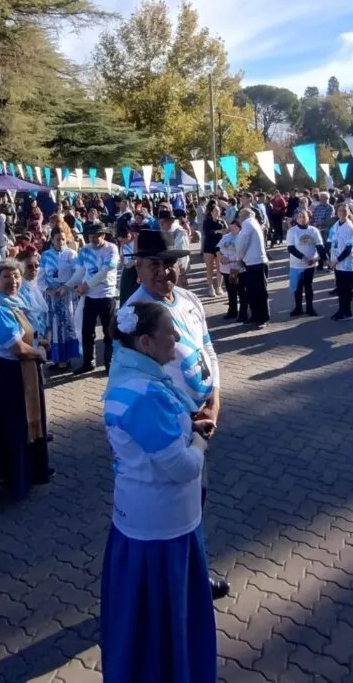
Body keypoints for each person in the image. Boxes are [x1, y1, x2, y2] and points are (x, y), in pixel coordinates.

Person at [100, 301, 216, 683]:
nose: (178, 338)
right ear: (146, 342)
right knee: (164, 623)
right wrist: (200, 441)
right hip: (161, 527)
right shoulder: (147, 394)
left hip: (147, 516)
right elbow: (182, 467)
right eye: (171, 332)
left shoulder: (134, 375)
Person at [123, 229, 228, 601]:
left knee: (196, 501)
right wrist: (190, 415)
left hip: (202, 421)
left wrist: (214, 398)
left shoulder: (188, 298)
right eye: (154, 264)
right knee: (172, 511)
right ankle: (174, 585)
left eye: (169, 264)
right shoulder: (134, 316)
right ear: (137, 268)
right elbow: (138, 381)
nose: (164, 272)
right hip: (170, 426)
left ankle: (191, 574)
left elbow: (208, 350)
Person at [0, 259, 52, 499]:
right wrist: (39, 353)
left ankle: (32, 471)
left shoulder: (14, 302)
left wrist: (40, 342)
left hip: (22, 371)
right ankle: (13, 478)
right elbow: (16, 348)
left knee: (28, 422)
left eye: (17, 276)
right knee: (13, 427)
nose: (14, 281)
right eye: (7, 277)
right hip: (5, 376)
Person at [75, 222, 118, 375]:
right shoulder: (84, 250)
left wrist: (86, 285)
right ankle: (88, 362)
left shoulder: (111, 248)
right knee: (87, 330)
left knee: (108, 331)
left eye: (97, 235)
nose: (93, 238)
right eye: (91, 235)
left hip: (106, 295)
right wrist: (68, 286)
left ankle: (109, 362)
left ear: (103, 235)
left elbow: (105, 271)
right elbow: (80, 271)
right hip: (90, 297)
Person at [39, 228, 82, 369]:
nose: (61, 242)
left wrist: (68, 287)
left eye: (63, 239)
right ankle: (56, 359)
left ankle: (67, 357)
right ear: (51, 240)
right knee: (53, 327)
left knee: (67, 325)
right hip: (52, 296)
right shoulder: (45, 256)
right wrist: (49, 290)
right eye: (58, 239)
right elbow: (41, 277)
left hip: (67, 295)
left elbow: (78, 274)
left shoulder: (71, 254)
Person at [234, 206, 269, 328]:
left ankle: (262, 318)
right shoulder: (253, 223)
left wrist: (239, 257)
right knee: (253, 292)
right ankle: (256, 316)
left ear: (242, 217)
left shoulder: (247, 224)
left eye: (238, 218)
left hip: (255, 262)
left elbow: (242, 242)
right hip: (254, 261)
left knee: (259, 292)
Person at [286, 209, 323, 318]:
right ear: (296, 219)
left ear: (308, 218)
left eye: (304, 217)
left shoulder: (314, 231)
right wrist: (304, 258)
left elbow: (320, 246)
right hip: (296, 264)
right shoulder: (292, 231)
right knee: (297, 287)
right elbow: (291, 248)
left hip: (310, 264)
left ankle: (310, 308)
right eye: (300, 217)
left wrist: (320, 258)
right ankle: (298, 308)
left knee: (308, 286)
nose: (302, 219)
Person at [327, 204, 353, 321]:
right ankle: (341, 310)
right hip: (336, 262)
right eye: (340, 211)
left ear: (348, 212)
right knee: (340, 288)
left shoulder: (350, 227)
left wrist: (336, 260)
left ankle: (348, 312)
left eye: (344, 211)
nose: (342, 213)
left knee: (346, 289)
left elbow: (348, 249)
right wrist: (329, 259)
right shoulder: (335, 225)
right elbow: (330, 242)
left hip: (346, 263)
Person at [217, 220, 242, 321]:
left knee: (236, 290)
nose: (231, 228)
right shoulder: (226, 237)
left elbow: (241, 253)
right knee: (230, 290)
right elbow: (218, 248)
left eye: (234, 227)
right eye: (230, 227)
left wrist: (229, 260)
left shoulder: (241, 237)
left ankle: (239, 311)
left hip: (234, 268)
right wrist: (221, 257)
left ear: (239, 227)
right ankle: (232, 311)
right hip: (225, 268)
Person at [200, 204, 226, 298]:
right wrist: (217, 231)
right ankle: (210, 287)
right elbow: (206, 232)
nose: (217, 212)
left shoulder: (222, 221)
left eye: (218, 211)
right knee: (209, 268)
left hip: (219, 247)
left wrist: (225, 231)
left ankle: (219, 287)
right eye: (215, 211)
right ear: (211, 212)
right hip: (208, 247)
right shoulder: (207, 221)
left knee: (220, 267)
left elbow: (226, 231)